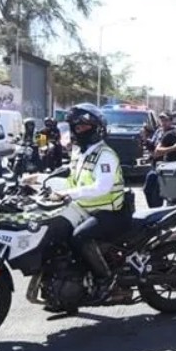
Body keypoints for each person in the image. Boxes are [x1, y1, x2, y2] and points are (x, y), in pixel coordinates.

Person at [47, 104, 131, 301]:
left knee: (79, 237)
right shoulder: (81, 153)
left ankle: (108, 282)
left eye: (82, 127)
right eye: (75, 127)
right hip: (87, 208)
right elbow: (71, 180)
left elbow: (102, 187)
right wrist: (40, 181)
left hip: (111, 212)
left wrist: (67, 194)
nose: (77, 131)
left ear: (96, 129)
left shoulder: (105, 155)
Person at [142, 113, 176, 208]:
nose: (163, 123)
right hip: (164, 169)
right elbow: (156, 150)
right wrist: (173, 148)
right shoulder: (165, 134)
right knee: (150, 189)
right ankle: (157, 212)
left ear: (170, 121)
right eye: (162, 120)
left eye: (166, 120)